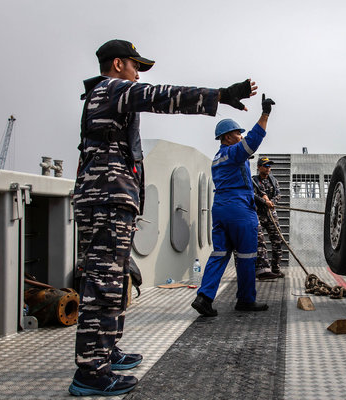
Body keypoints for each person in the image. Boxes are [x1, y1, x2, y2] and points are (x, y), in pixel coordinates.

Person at [70, 39, 257, 397]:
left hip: (110, 197)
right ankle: (90, 371)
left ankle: (106, 351)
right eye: (135, 66)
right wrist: (218, 95)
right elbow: (161, 95)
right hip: (105, 197)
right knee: (104, 285)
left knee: (114, 280)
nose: (138, 73)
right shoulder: (113, 89)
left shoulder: (106, 94)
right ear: (118, 64)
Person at [191, 94, 276, 318]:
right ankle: (246, 300)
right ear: (228, 137)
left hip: (220, 208)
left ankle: (204, 297)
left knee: (219, 254)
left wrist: (257, 199)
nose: (241, 136)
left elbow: (236, 184)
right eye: (238, 133)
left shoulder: (217, 158)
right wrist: (265, 114)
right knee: (247, 255)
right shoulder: (234, 153)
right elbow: (254, 139)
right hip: (239, 211)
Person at [252, 157, 285, 279]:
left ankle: (275, 269)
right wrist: (264, 202)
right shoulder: (253, 181)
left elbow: (278, 194)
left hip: (271, 215)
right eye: (265, 166)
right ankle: (262, 270)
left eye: (269, 166)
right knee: (259, 242)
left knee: (278, 241)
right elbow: (253, 195)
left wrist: (271, 201)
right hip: (258, 214)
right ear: (259, 167)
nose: (268, 168)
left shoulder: (274, 181)